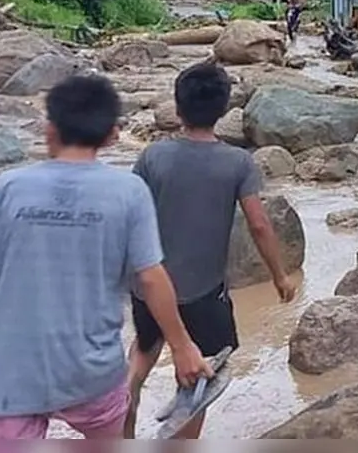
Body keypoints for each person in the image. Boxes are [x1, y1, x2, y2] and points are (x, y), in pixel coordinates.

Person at [0, 74, 213, 440]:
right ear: (111, 135)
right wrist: (182, 346)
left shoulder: (8, 187)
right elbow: (150, 277)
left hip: (15, 367)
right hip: (91, 367)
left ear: (49, 129)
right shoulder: (128, 192)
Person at [125, 61, 297, 439]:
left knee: (145, 346)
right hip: (202, 291)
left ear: (178, 108)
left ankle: (127, 396)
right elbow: (258, 224)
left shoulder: (153, 156)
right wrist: (280, 276)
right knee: (203, 369)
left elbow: (129, 211)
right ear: (222, 110)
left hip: (149, 283)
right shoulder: (238, 162)